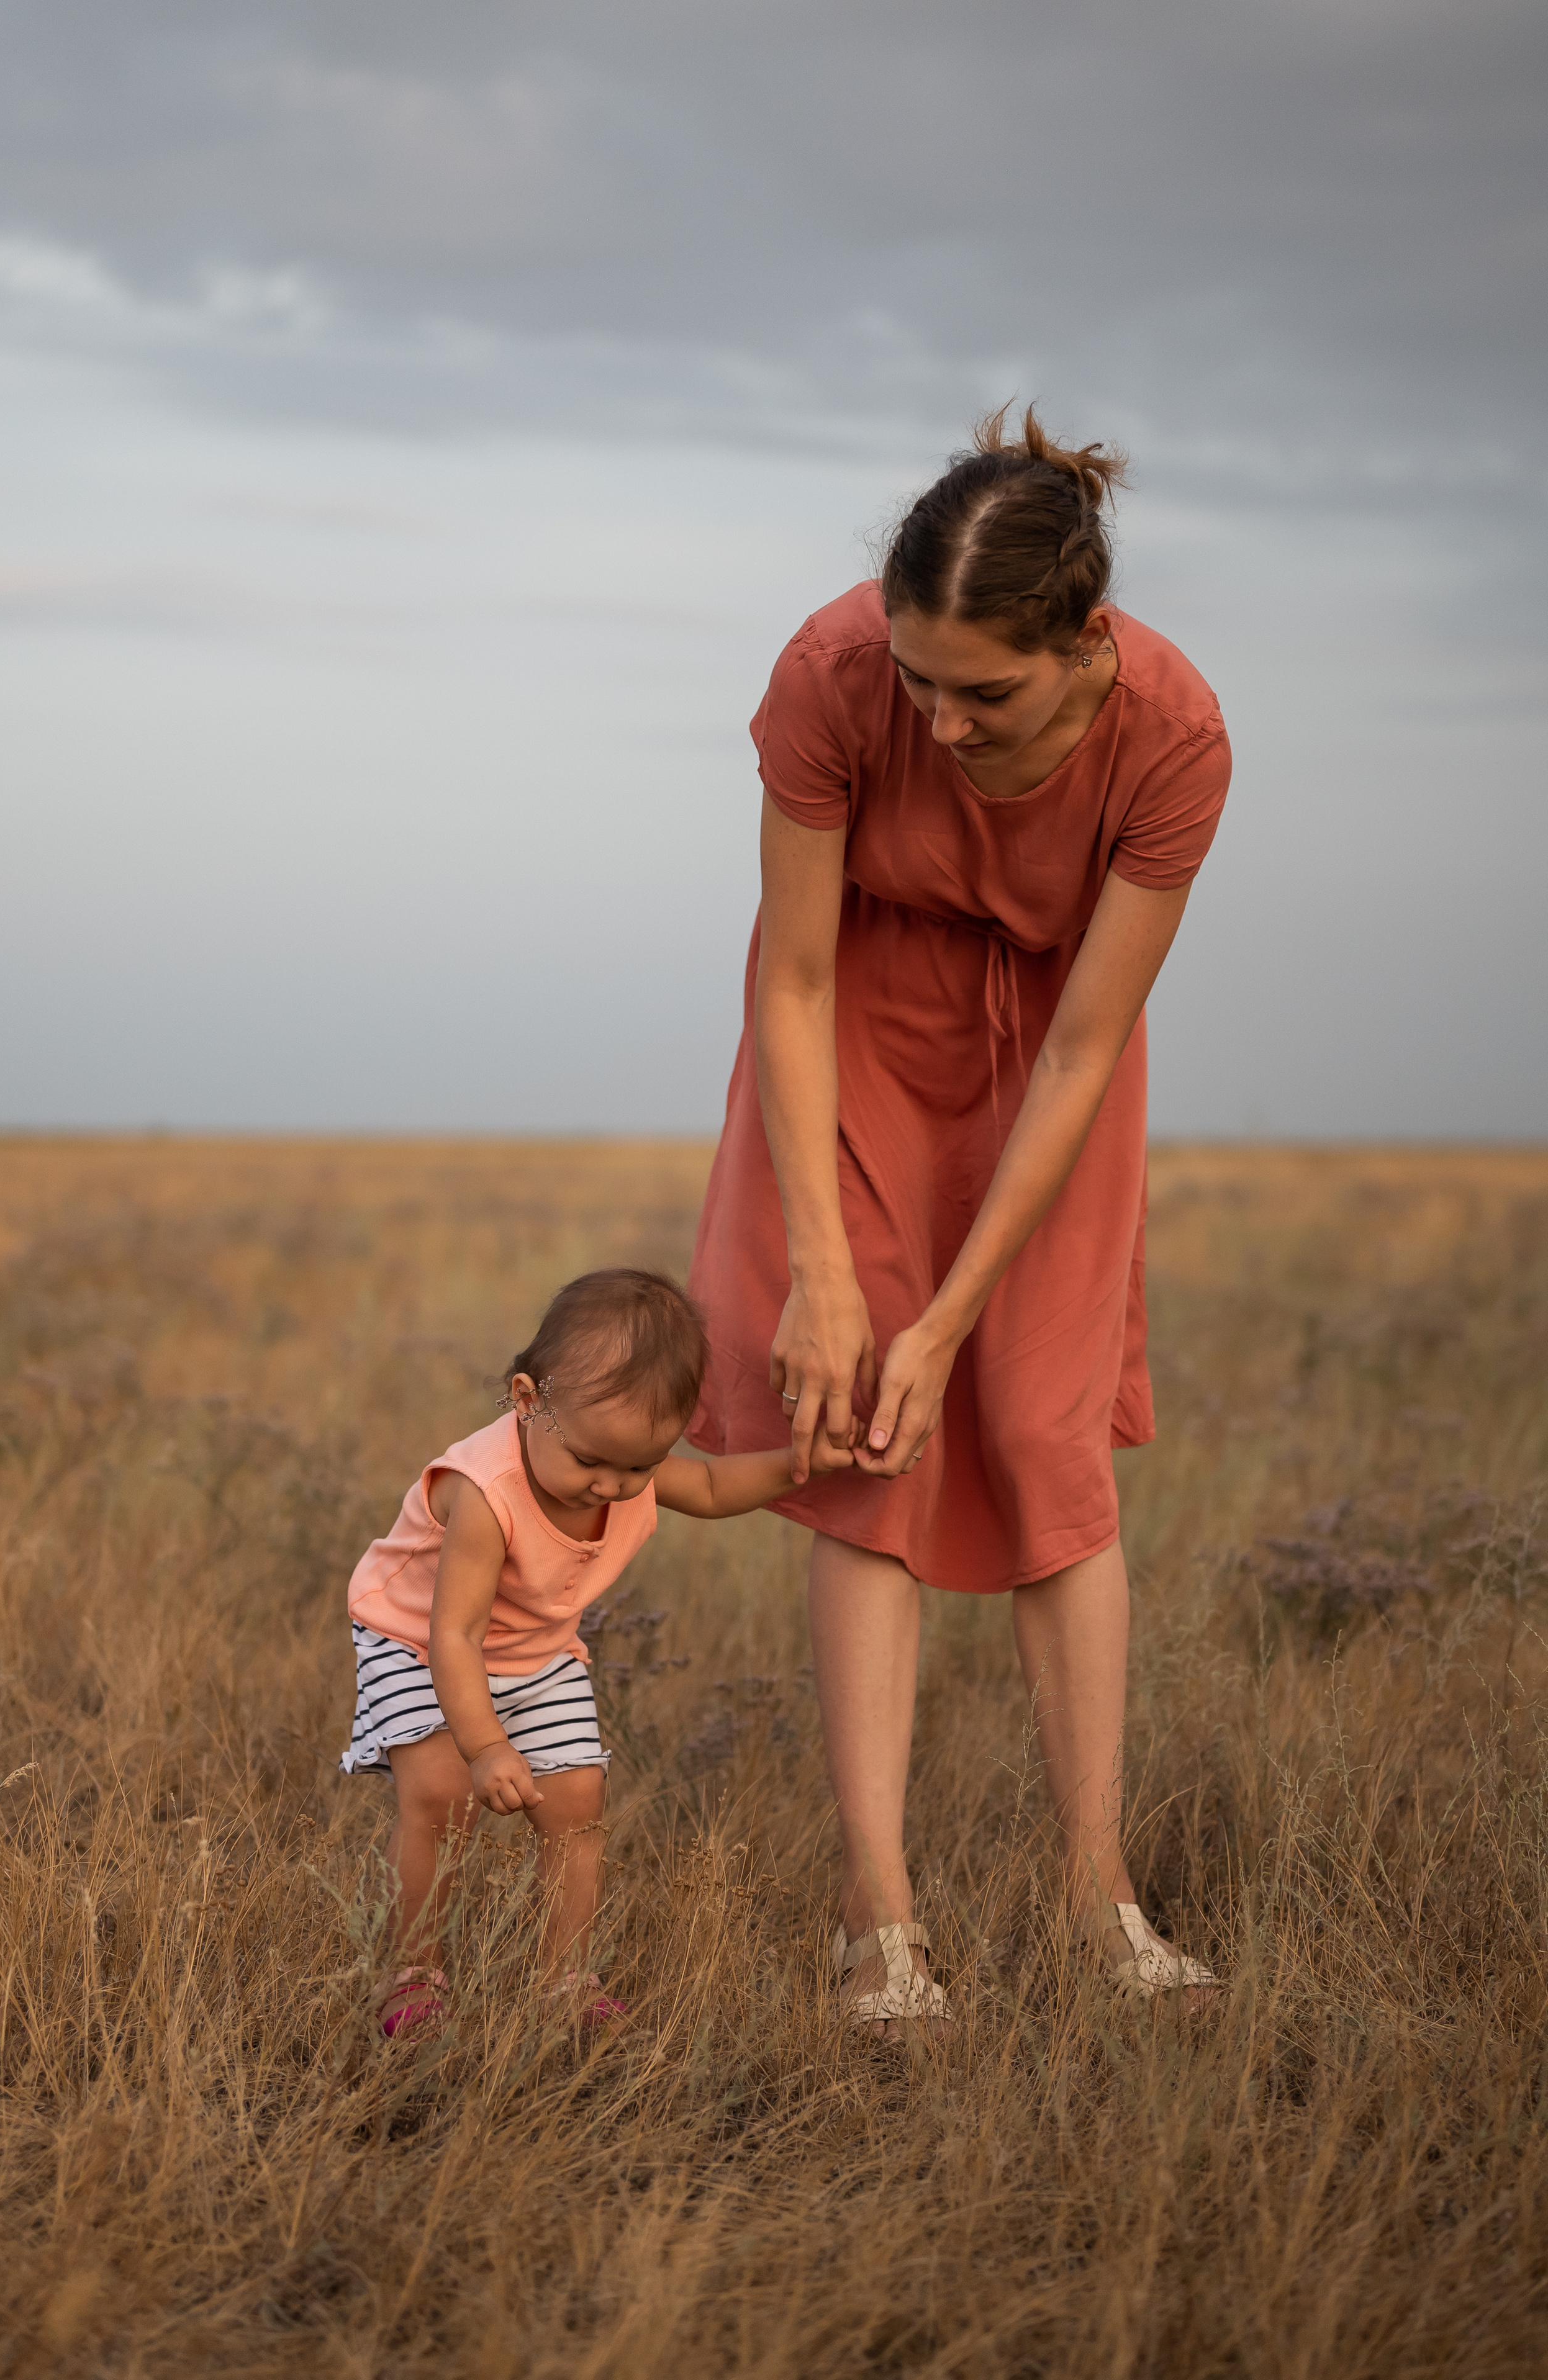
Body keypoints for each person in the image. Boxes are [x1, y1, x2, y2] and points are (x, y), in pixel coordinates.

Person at [687, 405, 1228, 2032]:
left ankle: (1098, 1898)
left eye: (983, 691)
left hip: (1052, 1065)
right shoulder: (832, 676)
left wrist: (948, 1316)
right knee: (861, 1437)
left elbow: (1084, 1043)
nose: (940, 719)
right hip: (852, 1035)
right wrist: (836, 1284)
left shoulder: (1179, 737)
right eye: (918, 678)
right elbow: (787, 973)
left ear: (1086, 645)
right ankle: (881, 1921)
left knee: (1046, 1437)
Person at [340, 1267, 855, 2034]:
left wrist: (802, 1465)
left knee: (579, 1805)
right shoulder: (486, 1492)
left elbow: (712, 1493)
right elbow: (455, 1634)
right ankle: (413, 1973)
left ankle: (565, 1984)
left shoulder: (612, 1461)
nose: (613, 1487)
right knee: (442, 1796)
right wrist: (485, 1747)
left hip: (537, 1649)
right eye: (591, 1462)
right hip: (418, 1641)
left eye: (640, 1467)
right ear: (526, 1400)